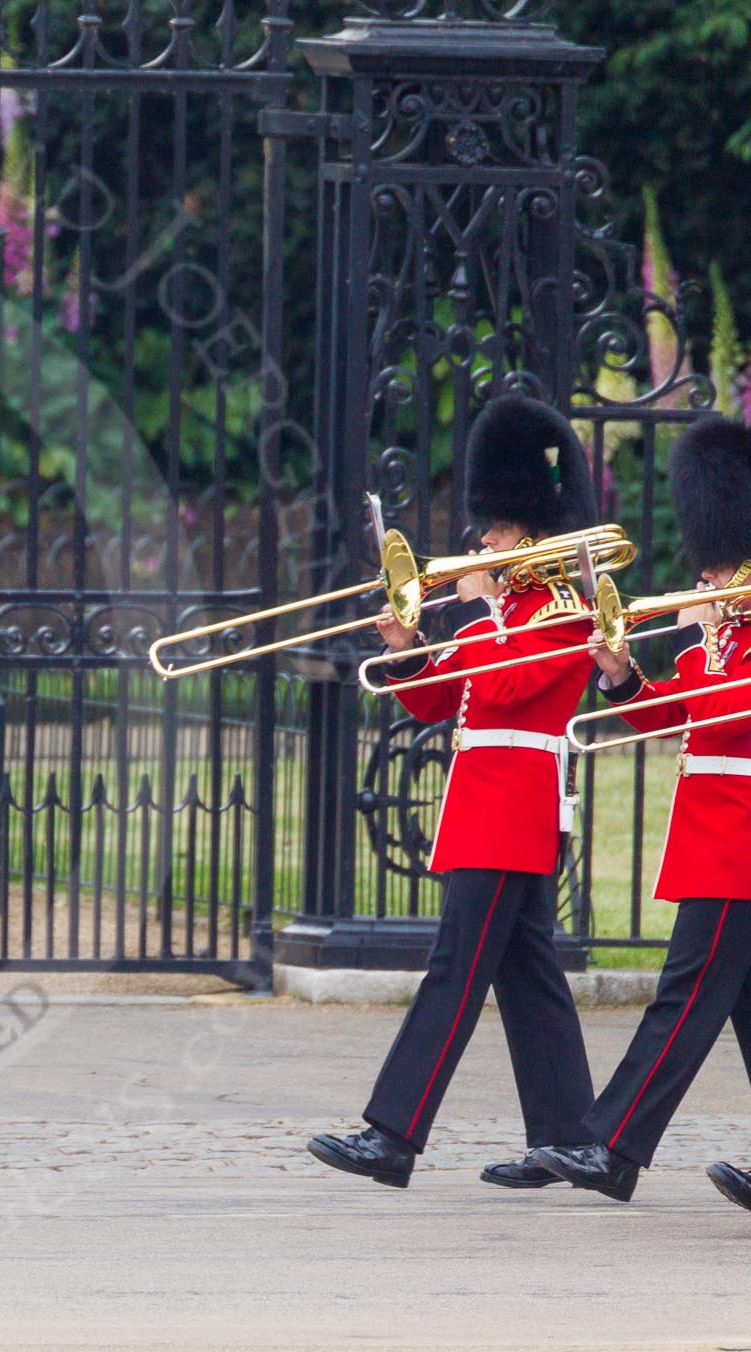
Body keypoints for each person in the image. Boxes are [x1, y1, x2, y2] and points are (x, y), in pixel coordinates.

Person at [309, 394, 600, 1189]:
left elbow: (508, 692)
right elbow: (437, 700)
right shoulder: (494, 620)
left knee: (455, 972)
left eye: (496, 533)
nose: (480, 543)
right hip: (484, 810)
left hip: (514, 812)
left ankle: (393, 1134)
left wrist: (475, 609)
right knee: (528, 975)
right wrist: (406, 646)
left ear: (529, 538)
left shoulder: (564, 613)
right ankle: (571, 1137)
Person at [530, 416, 751, 1204]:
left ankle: (612, 1148)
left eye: (723, 571)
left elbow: (731, 716)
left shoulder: (734, 643)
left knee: (682, 1001)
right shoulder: (714, 645)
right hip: (715, 842)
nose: (710, 582)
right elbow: (668, 716)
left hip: (739, 848)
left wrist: (713, 627)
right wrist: (621, 672)